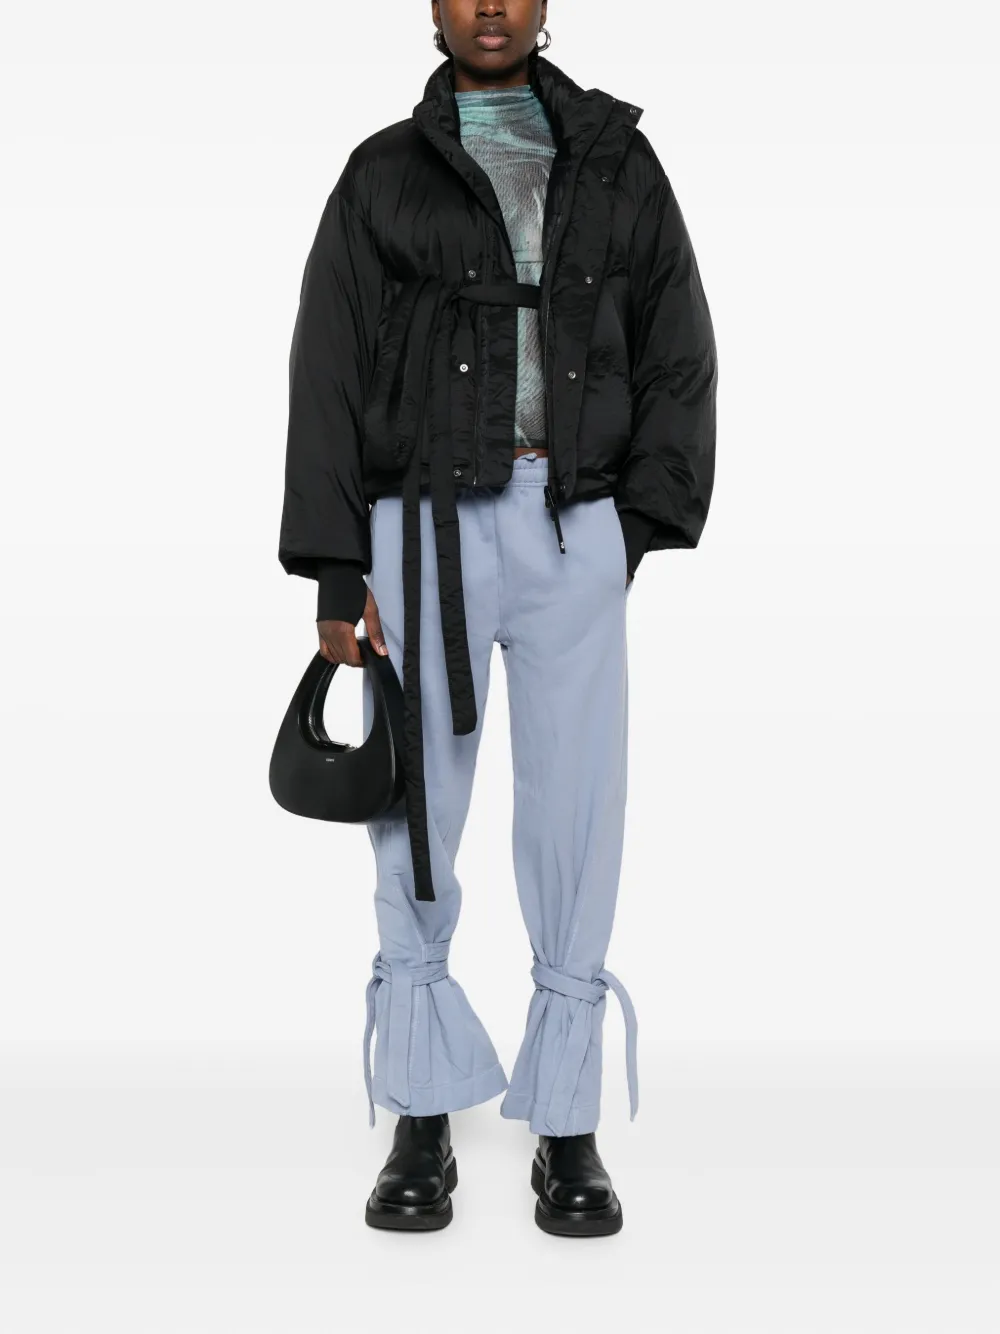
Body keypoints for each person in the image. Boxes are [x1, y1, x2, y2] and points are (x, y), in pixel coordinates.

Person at [277, 0, 717, 1237]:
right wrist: (335, 569)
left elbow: (678, 343)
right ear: (431, 3)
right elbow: (327, 362)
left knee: (579, 811)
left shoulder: (618, 160)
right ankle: (421, 1107)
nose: (489, 5)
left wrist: (635, 526)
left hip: (576, 520)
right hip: (420, 524)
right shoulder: (381, 171)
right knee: (414, 811)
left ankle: (566, 1120)